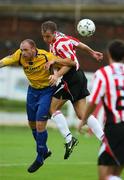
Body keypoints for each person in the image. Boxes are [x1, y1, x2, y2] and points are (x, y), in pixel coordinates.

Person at [0, 39, 76, 173]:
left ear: (34, 49)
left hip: (47, 91)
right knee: (32, 124)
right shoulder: (19, 55)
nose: (23, 53)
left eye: (26, 50)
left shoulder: (46, 56)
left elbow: (70, 63)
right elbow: (7, 60)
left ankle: (40, 157)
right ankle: (45, 150)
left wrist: (57, 74)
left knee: (40, 124)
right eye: (22, 50)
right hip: (32, 91)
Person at [41, 20, 105, 160]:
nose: (46, 39)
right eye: (44, 36)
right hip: (78, 77)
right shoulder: (60, 37)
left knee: (51, 109)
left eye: (48, 36)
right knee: (82, 115)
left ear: (54, 33)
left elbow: (71, 62)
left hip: (71, 79)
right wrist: (92, 52)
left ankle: (69, 139)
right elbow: (77, 43)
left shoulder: (60, 43)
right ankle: (104, 140)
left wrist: (56, 70)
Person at [78, 39, 124, 180]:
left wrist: (84, 119)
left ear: (109, 54)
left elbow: (93, 101)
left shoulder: (103, 73)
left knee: (104, 176)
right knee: (115, 173)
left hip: (115, 128)